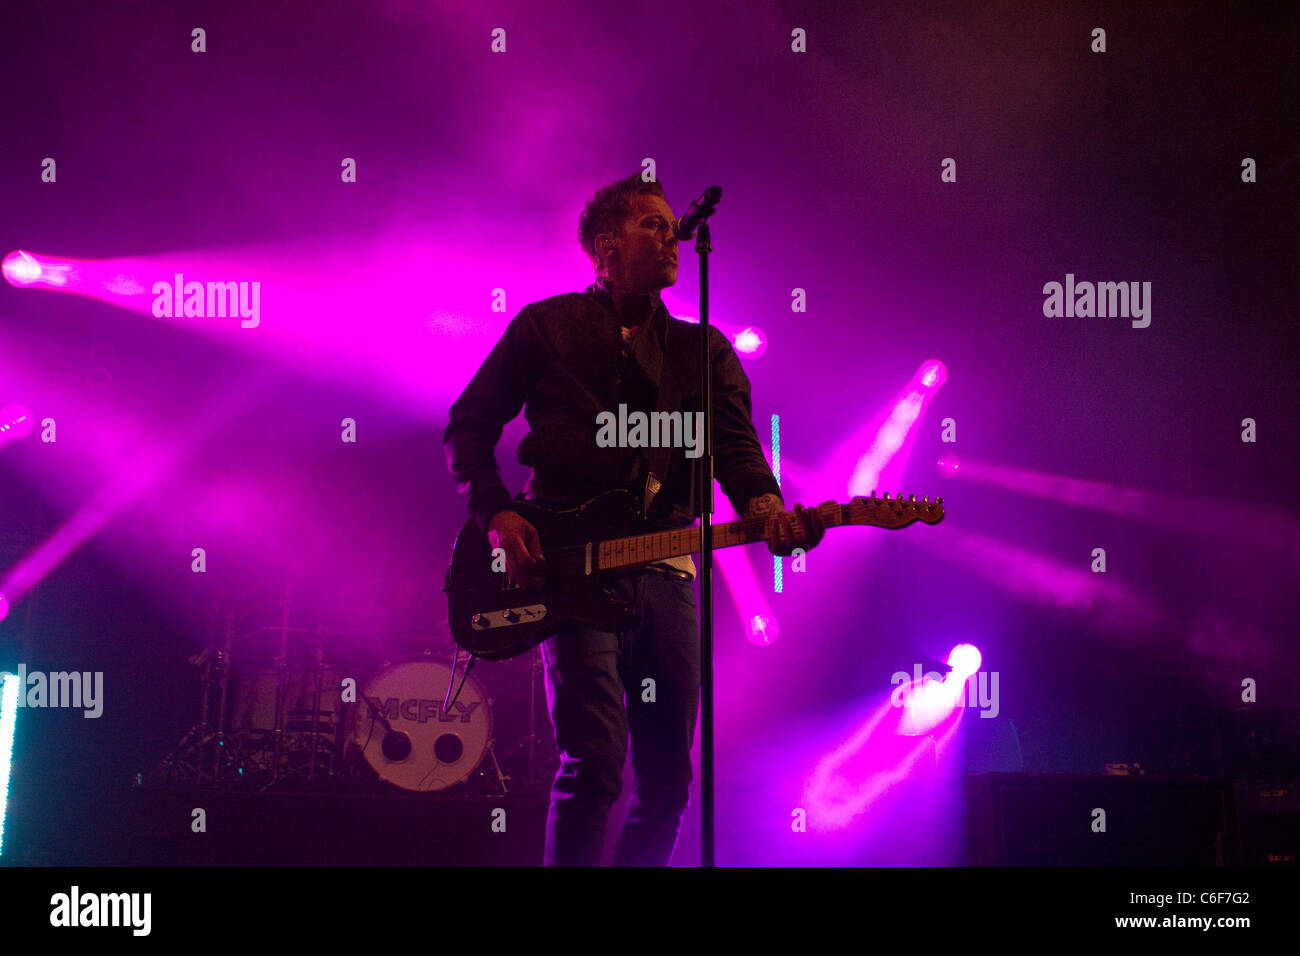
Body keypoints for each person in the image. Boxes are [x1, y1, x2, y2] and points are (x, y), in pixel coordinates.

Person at [444, 173, 824, 865]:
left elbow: (737, 450)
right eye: (652, 223)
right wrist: (497, 511)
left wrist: (766, 509)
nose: (671, 235)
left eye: (672, 224)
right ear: (604, 247)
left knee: (669, 778)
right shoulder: (545, 328)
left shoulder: (702, 352)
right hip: (572, 567)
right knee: (593, 762)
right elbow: (468, 424)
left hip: (667, 572)